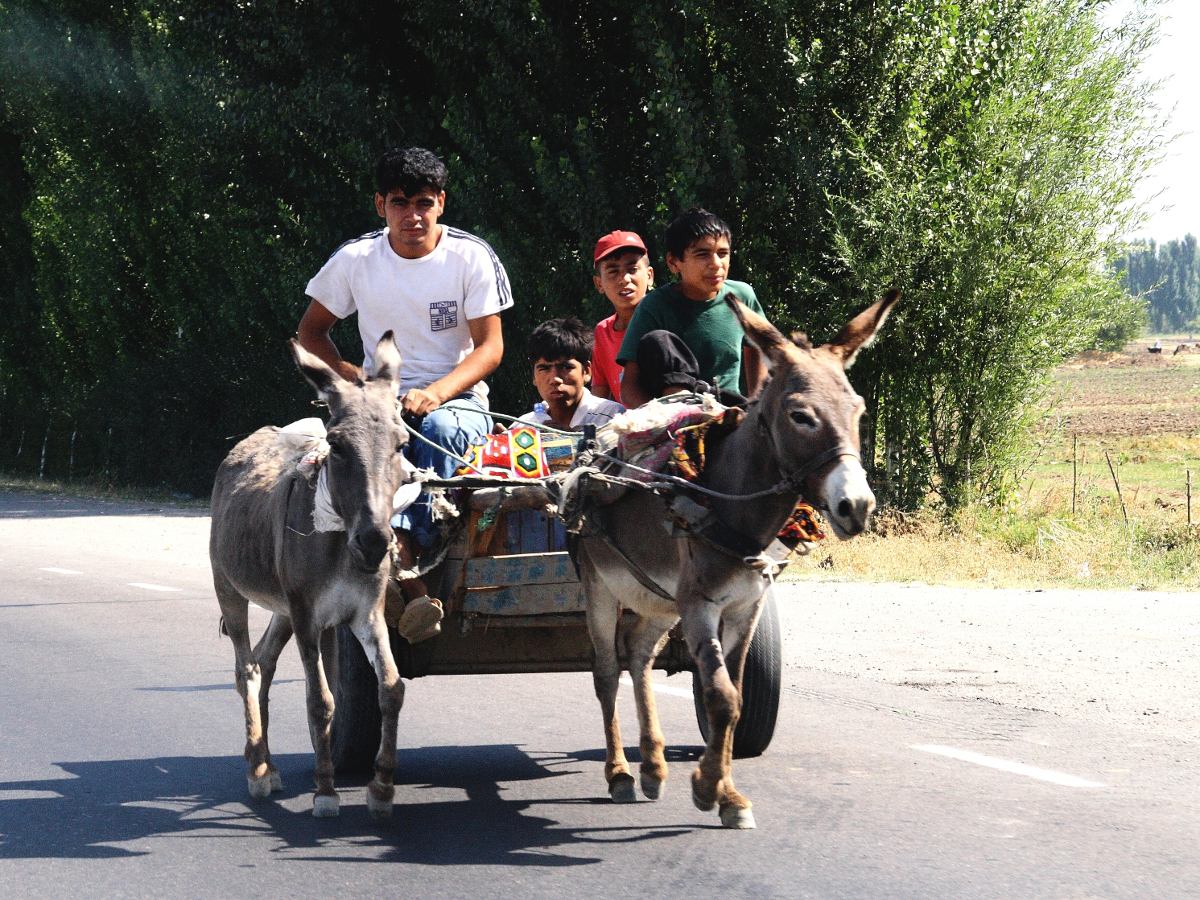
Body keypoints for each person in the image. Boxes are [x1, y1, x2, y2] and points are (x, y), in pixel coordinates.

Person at [297, 146, 512, 643]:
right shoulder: (355, 260)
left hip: (458, 403)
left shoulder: (470, 256)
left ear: (441, 202)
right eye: (399, 203)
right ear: (380, 205)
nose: (412, 216)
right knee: (327, 463)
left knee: (435, 431)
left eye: (422, 202)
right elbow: (311, 334)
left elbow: (491, 348)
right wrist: (358, 384)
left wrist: (437, 393)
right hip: (381, 406)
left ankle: (405, 564)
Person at [616, 208, 767, 408]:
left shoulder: (742, 297)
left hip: (729, 412)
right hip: (674, 415)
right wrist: (663, 419)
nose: (716, 264)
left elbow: (759, 349)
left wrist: (757, 405)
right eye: (702, 254)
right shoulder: (654, 306)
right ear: (674, 262)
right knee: (659, 341)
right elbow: (629, 388)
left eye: (723, 254)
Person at [519, 318, 625, 430]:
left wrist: (570, 440)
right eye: (544, 368)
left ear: (587, 372)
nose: (555, 379)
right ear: (534, 376)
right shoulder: (522, 427)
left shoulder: (613, 419)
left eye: (566, 367)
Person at [589, 230, 654, 401]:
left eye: (632, 269)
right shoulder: (602, 332)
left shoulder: (666, 320)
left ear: (649, 276)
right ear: (599, 283)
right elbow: (600, 399)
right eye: (613, 271)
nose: (624, 279)